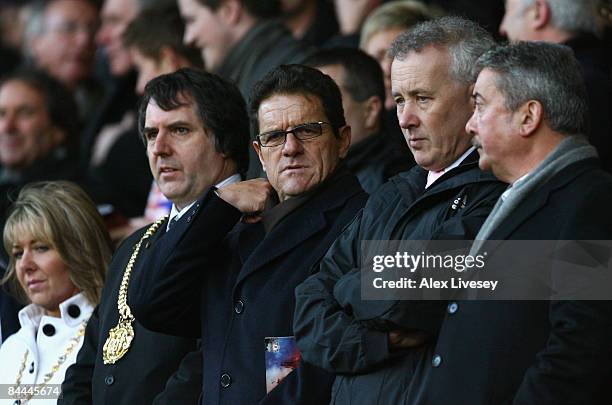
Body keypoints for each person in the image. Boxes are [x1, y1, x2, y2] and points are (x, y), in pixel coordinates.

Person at [293, 17, 506, 404]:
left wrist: (347, 285)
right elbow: (307, 312)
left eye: (423, 98)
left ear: (476, 97)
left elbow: (408, 299)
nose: (405, 118)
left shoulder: (500, 191)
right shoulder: (393, 192)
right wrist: (376, 342)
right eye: (401, 98)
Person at [131, 64, 368, 404]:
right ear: (259, 152)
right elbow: (152, 303)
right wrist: (218, 205)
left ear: (342, 140)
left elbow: (328, 359)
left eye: (307, 131)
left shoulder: (365, 219)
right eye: (273, 137)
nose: (289, 148)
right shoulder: (237, 227)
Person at [422, 40, 612, 404]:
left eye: (479, 105)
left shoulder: (593, 202)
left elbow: (582, 346)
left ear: (528, 117)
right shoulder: (519, 193)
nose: (470, 124)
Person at [59, 67, 251, 404]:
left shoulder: (254, 233)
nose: (158, 148)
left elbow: (211, 364)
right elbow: (86, 366)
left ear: (225, 141)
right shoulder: (136, 243)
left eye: (179, 130)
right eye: (150, 134)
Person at [0, 181, 112, 405]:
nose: (25, 265)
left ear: (80, 250)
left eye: (41, 248)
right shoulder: (13, 347)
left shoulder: (110, 336)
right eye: (18, 253)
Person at [178, 0, 310, 177]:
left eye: (191, 20)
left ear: (229, 10)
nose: (188, 38)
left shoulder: (286, 74)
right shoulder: (250, 70)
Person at [499, 0, 612, 172]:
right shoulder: (599, 72)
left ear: (538, 12)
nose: (502, 27)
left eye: (507, 11)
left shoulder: (562, 89)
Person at [306, 47, 414, 192]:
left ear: (370, 111)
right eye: (307, 104)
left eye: (328, 102)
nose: (309, 118)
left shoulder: (393, 182)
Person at [24, 0, 101, 120]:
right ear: (36, 42)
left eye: (92, 30)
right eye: (69, 28)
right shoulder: (10, 96)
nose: (84, 40)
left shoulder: (108, 100)